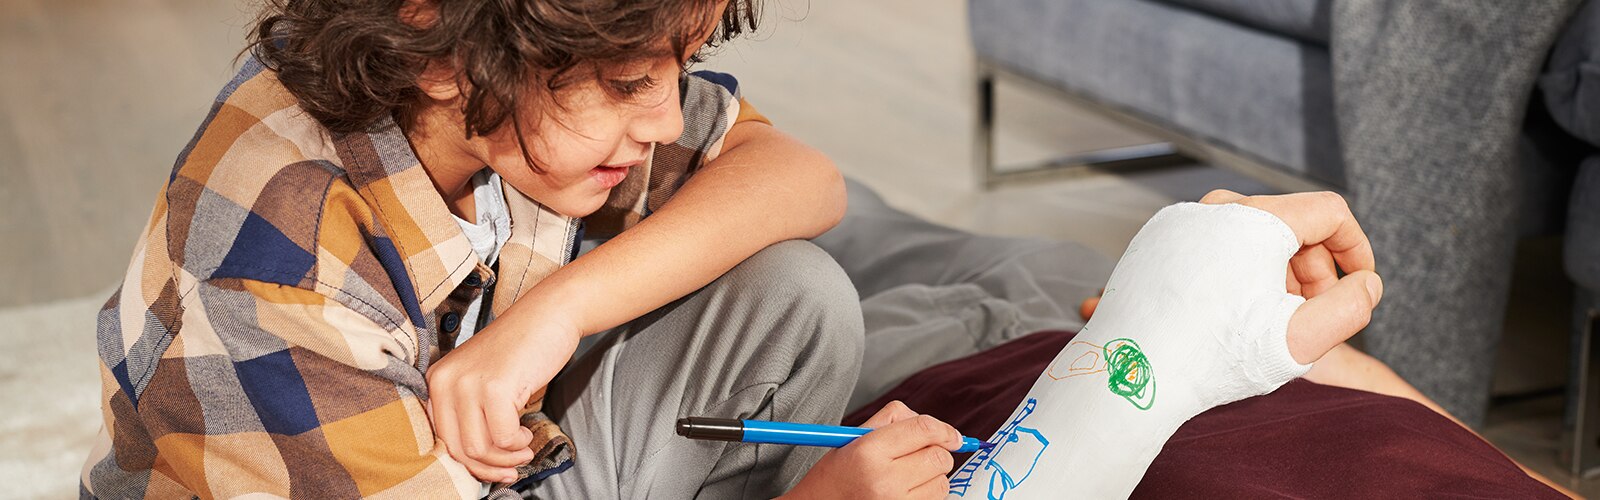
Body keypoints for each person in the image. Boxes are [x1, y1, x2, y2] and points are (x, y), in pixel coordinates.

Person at [72, 0, 1489, 499]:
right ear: (445, 42)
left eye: (674, 67)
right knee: (879, 302)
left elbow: (793, 170)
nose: (661, 111)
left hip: (512, 410)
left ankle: (1134, 333)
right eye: (631, 81)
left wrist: (552, 313)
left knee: (869, 262)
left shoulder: (495, 85)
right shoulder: (266, 276)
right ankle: (1134, 354)